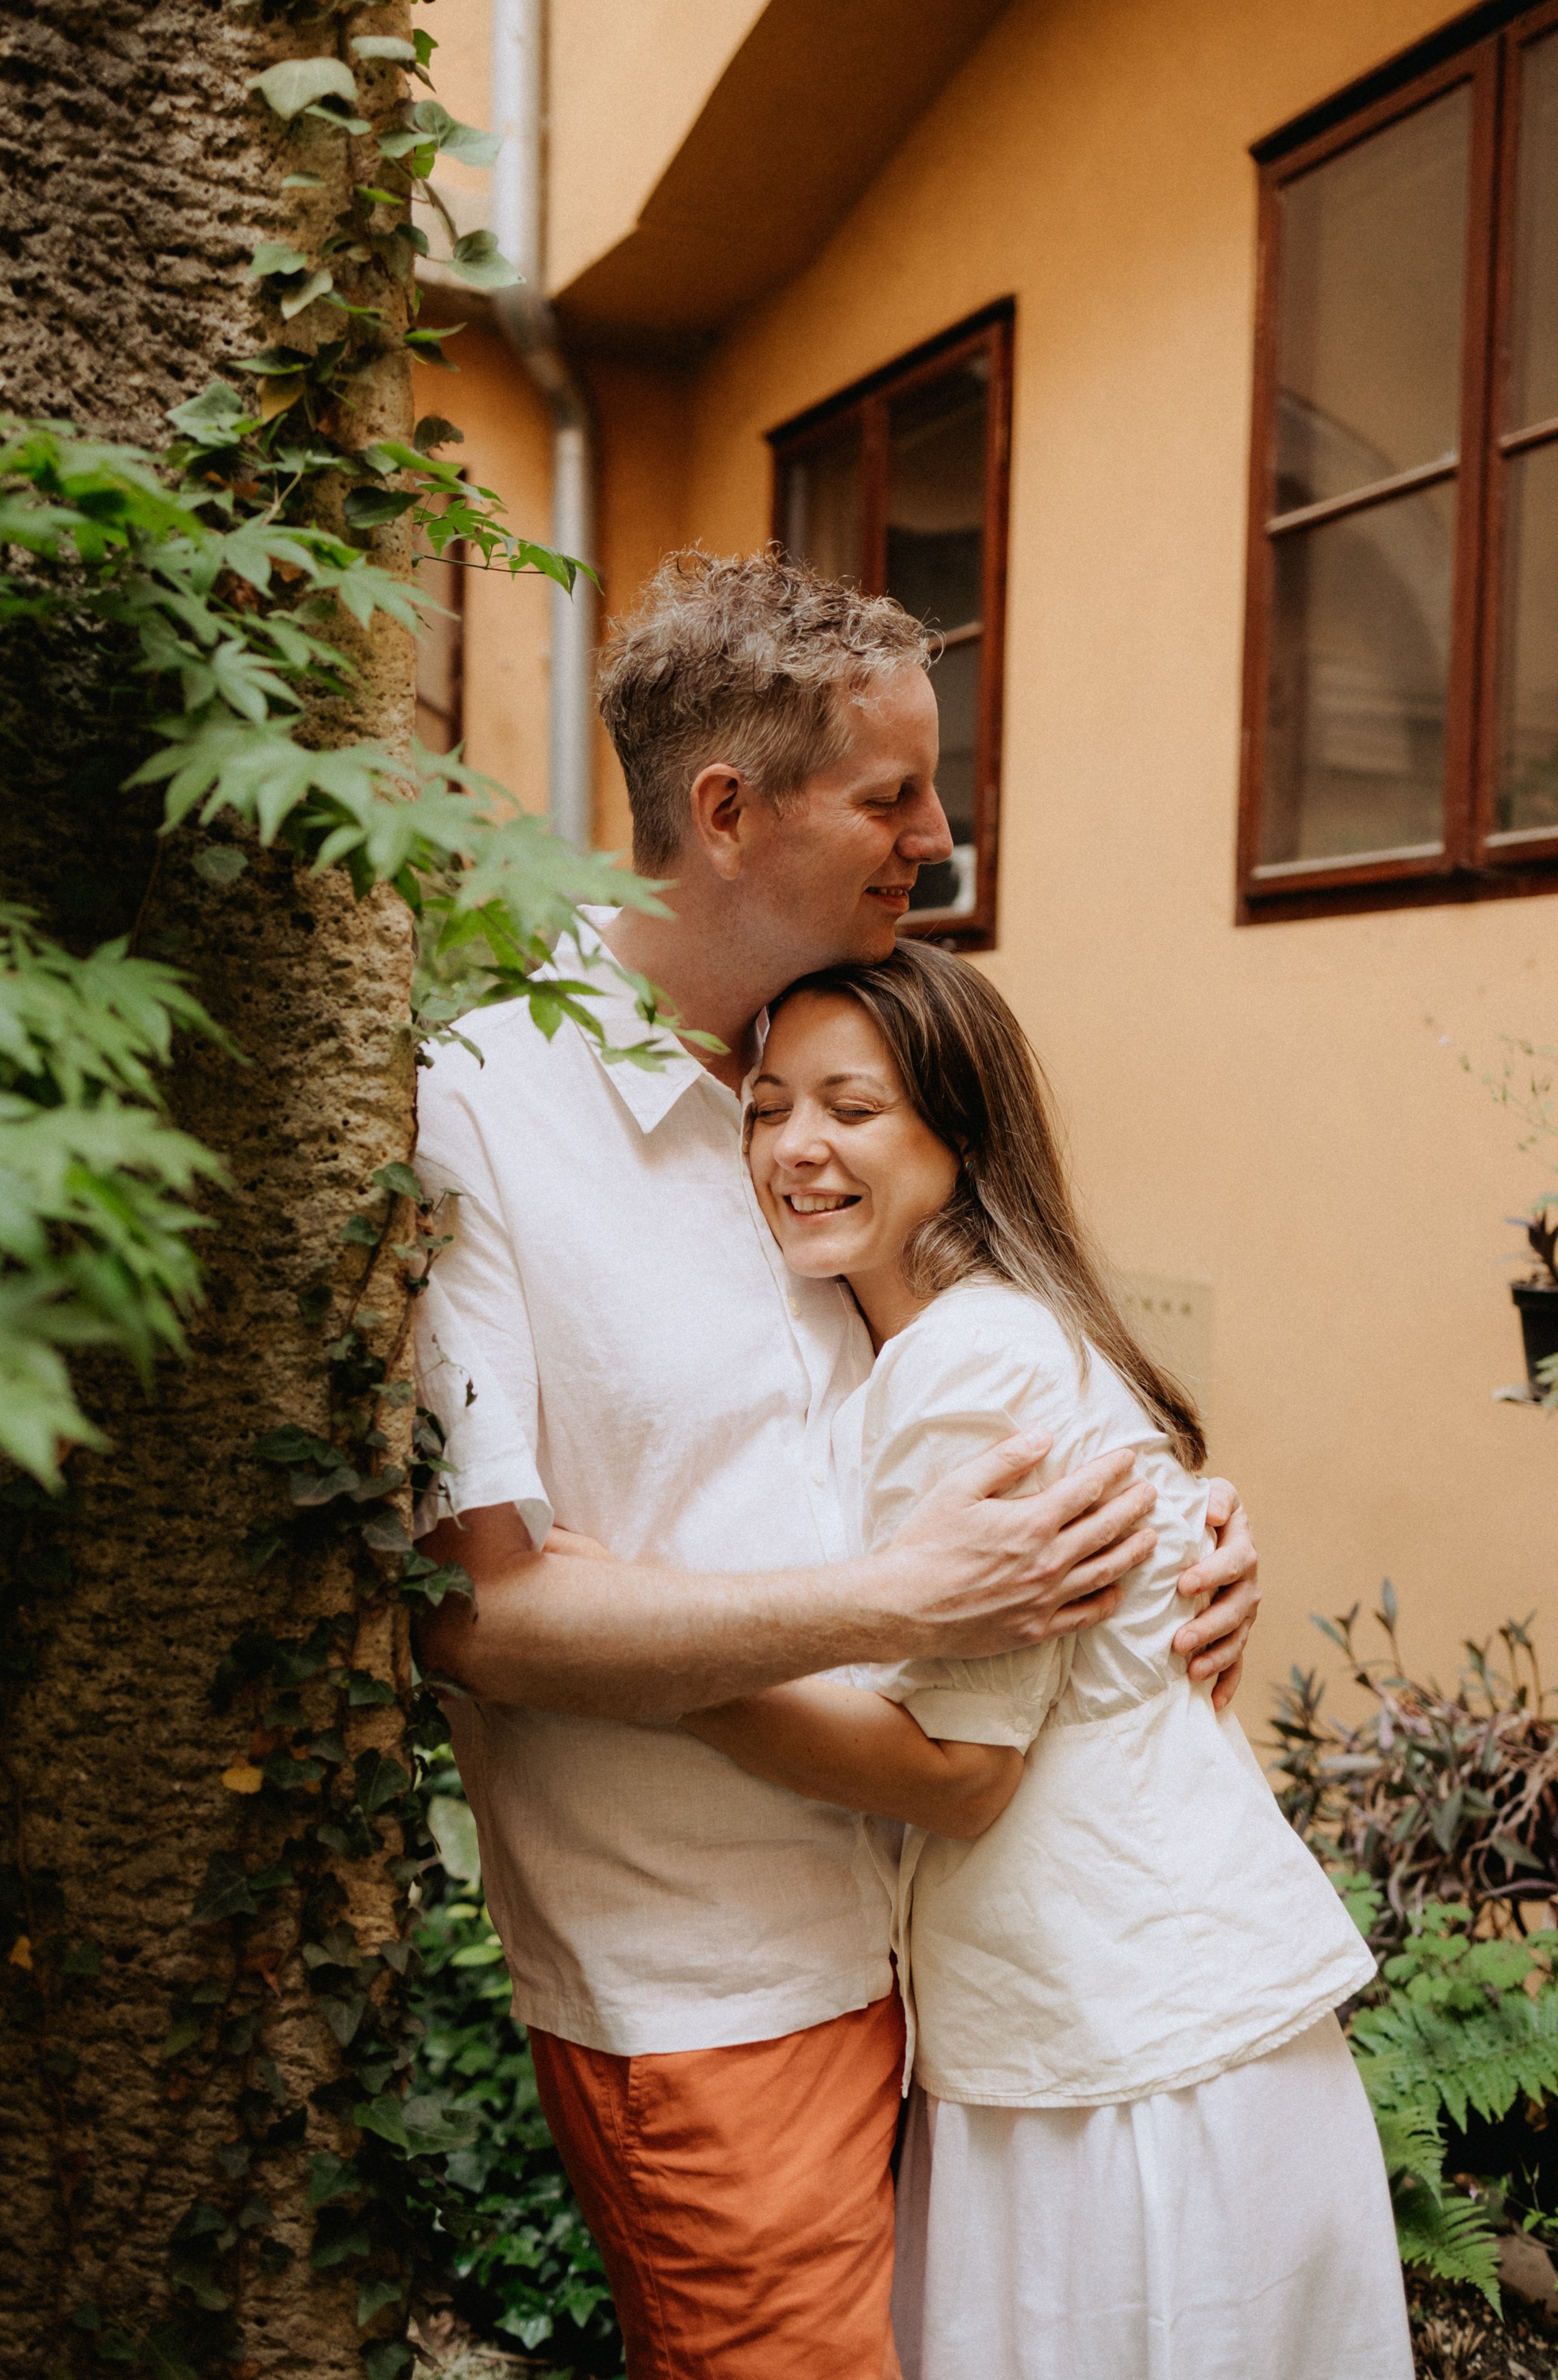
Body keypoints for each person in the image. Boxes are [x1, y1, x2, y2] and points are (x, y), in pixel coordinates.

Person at [412, 551, 1262, 2380]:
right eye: (894, 795)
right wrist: (896, 1599)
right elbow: (477, 1615)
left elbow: (984, 1392)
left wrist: (1169, 1540)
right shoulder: (485, 1113)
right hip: (714, 1985)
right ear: (726, 811)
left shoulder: (828, 1085)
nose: (937, 840)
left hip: (949, 1956)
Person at [686, 939, 1410, 2380]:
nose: (796, 1147)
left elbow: (959, 1778)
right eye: (767, 1108)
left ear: (961, 1135)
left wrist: (659, 1675)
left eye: (852, 1106)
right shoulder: (948, 1339)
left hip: (1123, 2059)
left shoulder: (970, 1362)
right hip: (1129, 2026)